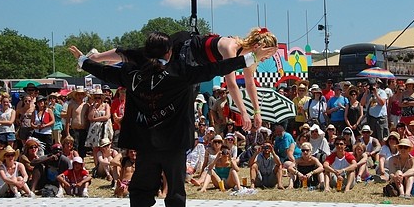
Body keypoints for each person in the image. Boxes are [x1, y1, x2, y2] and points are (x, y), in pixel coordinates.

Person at [70, 31, 275, 207]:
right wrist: (252, 58)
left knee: (141, 189)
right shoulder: (181, 72)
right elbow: (217, 69)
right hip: (174, 144)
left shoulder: (131, 74)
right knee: (175, 192)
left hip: (145, 144)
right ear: (170, 52)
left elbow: (104, 71)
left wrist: (84, 60)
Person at [87, 27, 278, 131]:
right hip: (184, 49)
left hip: (193, 66)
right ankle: (96, 58)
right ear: (258, 47)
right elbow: (231, 84)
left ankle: (103, 63)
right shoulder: (231, 47)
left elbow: (250, 84)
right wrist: (243, 113)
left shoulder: (249, 60)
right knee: (142, 55)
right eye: (267, 54)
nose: (267, 59)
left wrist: (257, 112)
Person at [85, 88, 113, 164]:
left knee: (104, 147)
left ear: (101, 98)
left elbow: (107, 116)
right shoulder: (92, 106)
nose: (97, 99)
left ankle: (104, 165)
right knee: (95, 148)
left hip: (104, 129)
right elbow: (90, 118)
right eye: (96, 97)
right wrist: (93, 109)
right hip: (94, 130)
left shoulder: (106, 105)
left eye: (99, 97)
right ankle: (96, 165)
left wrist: (95, 119)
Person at [65, 86, 90, 158]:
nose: (80, 96)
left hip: (83, 129)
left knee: (82, 148)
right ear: (75, 95)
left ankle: (81, 162)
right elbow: (68, 119)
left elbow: (88, 118)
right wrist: (67, 132)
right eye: (78, 94)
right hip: (74, 129)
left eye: (81, 94)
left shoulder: (86, 105)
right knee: (75, 147)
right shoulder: (71, 105)